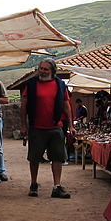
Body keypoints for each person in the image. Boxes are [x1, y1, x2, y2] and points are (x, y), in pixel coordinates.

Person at [20, 59, 75, 199]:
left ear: (53, 71)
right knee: (34, 157)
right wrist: (23, 126)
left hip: (56, 127)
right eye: (41, 68)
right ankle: (33, 184)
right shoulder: (31, 85)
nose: (42, 71)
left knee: (57, 157)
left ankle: (57, 186)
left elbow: (66, 106)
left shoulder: (60, 85)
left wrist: (71, 125)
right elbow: (24, 106)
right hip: (37, 127)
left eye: (46, 69)